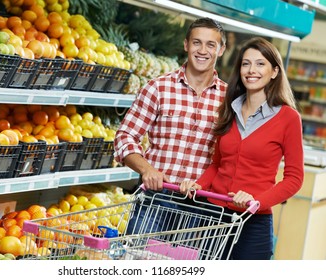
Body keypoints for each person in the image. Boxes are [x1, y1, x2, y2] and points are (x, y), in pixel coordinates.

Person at [180, 37, 304, 260]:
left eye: (260, 64)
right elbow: (217, 164)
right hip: (213, 217)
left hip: (253, 223)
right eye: (246, 63)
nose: (251, 70)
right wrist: (198, 185)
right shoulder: (228, 109)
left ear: (274, 71)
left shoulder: (288, 118)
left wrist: (256, 201)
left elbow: (294, 179)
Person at [114, 17, 227, 235]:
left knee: (186, 268)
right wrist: (147, 169)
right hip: (156, 199)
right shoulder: (158, 88)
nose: (202, 50)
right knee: (140, 262)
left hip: (201, 207)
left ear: (221, 50)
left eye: (211, 44)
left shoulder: (229, 100)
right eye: (196, 42)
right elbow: (124, 137)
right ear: (186, 45)